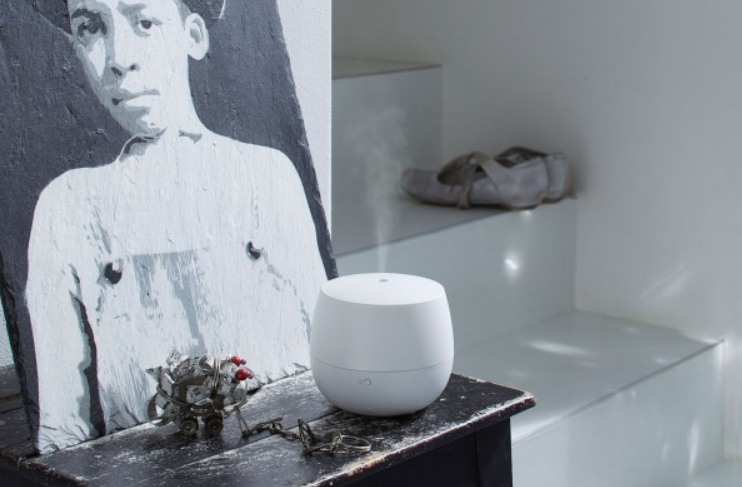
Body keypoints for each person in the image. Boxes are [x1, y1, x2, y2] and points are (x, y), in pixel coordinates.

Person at [26, 0, 327, 452]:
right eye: (90, 28)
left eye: (144, 22)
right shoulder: (68, 205)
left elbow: (327, 347)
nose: (118, 58)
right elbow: (61, 427)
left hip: (279, 449)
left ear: (193, 36)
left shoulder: (266, 177)